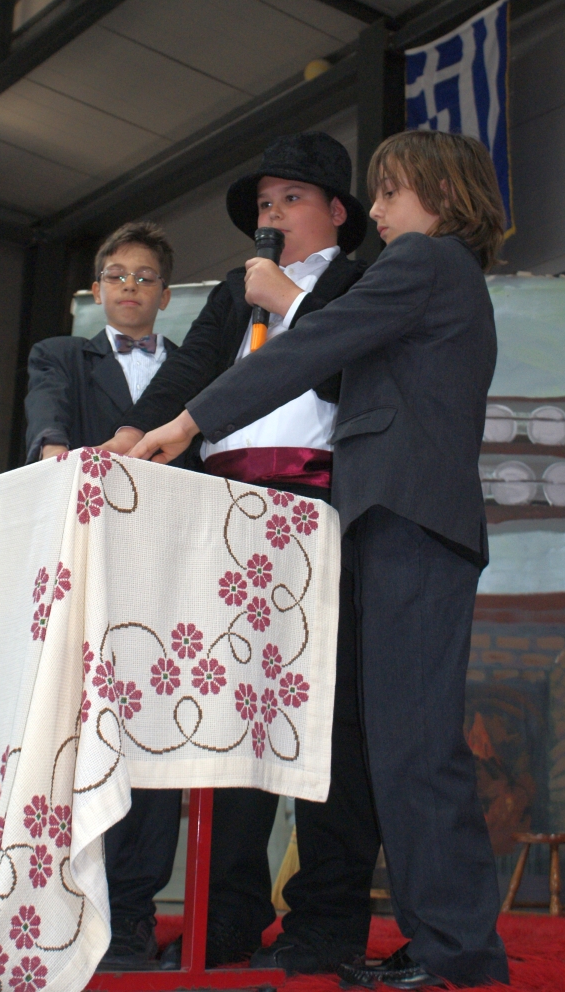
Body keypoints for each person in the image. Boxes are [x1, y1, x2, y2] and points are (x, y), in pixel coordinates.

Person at [127, 131, 510, 989]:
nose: (377, 210)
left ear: (443, 194)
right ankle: (441, 940)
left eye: (390, 192)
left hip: (409, 520)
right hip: (384, 523)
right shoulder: (432, 276)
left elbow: (311, 347)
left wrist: (190, 422)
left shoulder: (426, 262)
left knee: (416, 750)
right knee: (393, 748)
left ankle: (459, 956)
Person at [104, 132, 379, 975]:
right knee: (228, 712)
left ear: (336, 211)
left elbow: (351, 378)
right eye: (265, 202)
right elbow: (187, 373)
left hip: (320, 510)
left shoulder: (362, 280)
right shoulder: (236, 290)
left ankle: (326, 921)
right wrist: (129, 435)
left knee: (327, 719)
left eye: (291, 199)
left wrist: (291, 299)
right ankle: (225, 914)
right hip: (222, 514)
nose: (273, 214)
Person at [24, 221, 183, 969]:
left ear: (166, 294)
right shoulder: (61, 354)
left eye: (145, 277)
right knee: (70, 736)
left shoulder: (193, 370)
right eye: (116, 275)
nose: (129, 287)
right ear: (96, 289)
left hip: (170, 575)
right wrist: (57, 450)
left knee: (153, 740)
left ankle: (134, 915)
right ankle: (56, 904)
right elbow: (47, 411)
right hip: (87, 568)